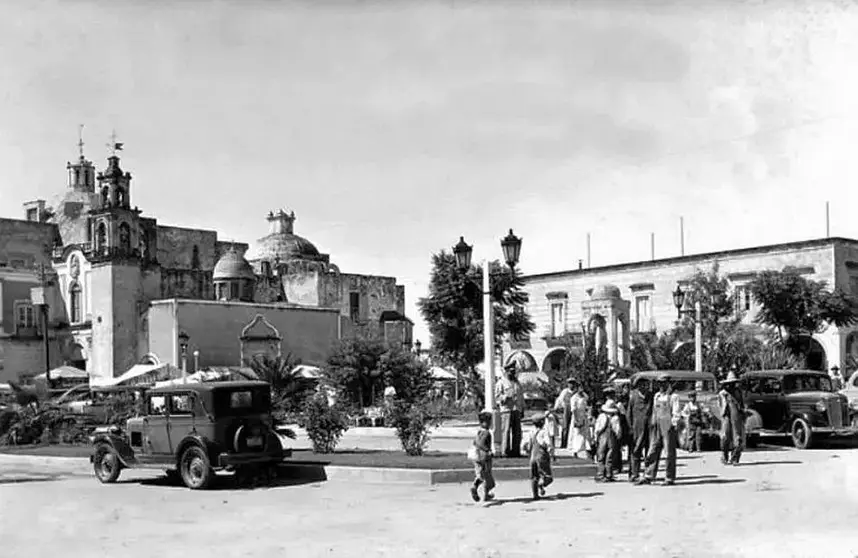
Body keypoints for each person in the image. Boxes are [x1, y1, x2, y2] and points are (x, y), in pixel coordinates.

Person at [638, 373, 681, 486]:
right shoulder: (657, 396)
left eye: (663, 383)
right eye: (660, 383)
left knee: (669, 453)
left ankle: (669, 477)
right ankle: (648, 475)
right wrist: (652, 422)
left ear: (668, 383)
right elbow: (654, 410)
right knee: (652, 450)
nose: (661, 385)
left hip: (667, 425)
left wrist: (673, 424)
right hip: (656, 424)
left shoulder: (673, 396)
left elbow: (676, 412)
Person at [522, 411, 555, 499]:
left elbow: (526, 444)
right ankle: (542, 484)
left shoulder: (531, 432)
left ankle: (535, 495)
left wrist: (527, 451)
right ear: (542, 422)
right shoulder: (544, 432)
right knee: (548, 477)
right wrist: (551, 453)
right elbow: (547, 444)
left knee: (534, 476)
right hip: (541, 456)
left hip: (533, 456)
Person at [626, 376, 652, 483]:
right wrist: (630, 427)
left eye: (646, 384)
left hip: (649, 428)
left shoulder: (651, 396)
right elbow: (629, 414)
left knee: (649, 452)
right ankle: (634, 474)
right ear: (638, 386)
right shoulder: (633, 397)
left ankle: (648, 474)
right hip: (637, 428)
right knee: (636, 451)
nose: (644, 386)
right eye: (641, 384)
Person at [496, 363, 525, 458]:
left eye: (514, 371)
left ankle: (516, 451)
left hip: (516, 409)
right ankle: (505, 451)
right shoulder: (501, 383)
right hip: (506, 410)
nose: (513, 373)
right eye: (511, 371)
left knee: (517, 432)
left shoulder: (517, 383)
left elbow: (521, 397)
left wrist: (522, 409)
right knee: (506, 431)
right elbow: (497, 397)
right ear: (506, 371)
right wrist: (505, 397)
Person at [718, 371, 747, 465]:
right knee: (725, 436)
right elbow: (720, 407)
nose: (731, 385)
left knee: (737, 437)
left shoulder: (738, 392)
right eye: (729, 383)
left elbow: (742, 405)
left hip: (737, 416)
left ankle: (735, 458)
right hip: (726, 416)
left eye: (732, 383)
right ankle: (724, 456)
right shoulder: (723, 394)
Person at [469, 411, 496, 502]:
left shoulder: (479, 431)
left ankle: (475, 487)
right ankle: (486, 494)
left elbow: (475, 442)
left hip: (477, 456)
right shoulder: (487, 433)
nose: (490, 423)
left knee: (481, 475)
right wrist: (488, 451)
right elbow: (481, 443)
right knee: (487, 476)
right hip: (484, 457)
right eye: (489, 421)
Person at [594, 400, 622, 482]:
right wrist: (618, 439)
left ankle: (600, 474)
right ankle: (609, 474)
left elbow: (597, 428)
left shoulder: (601, 416)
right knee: (609, 457)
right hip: (612, 438)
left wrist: (596, 437)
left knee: (601, 455)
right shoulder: (615, 418)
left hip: (602, 437)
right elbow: (618, 431)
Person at [568, 383, 592, 458]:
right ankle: (575, 451)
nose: (581, 389)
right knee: (577, 434)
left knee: (586, 434)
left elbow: (587, 406)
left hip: (584, 416)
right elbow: (574, 410)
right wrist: (576, 420)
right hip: (577, 416)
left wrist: (589, 414)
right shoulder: (574, 398)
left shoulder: (585, 396)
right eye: (580, 388)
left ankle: (588, 450)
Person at [553, 378, 577, 449]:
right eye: (570, 383)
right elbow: (559, 399)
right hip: (566, 409)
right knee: (565, 427)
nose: (571, 385)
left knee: (574, 427)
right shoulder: (565, 391)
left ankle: (572, 444)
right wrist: (556, 407)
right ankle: (564, 444)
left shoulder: (576, 392)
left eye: (572, 383)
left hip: (574, 410)